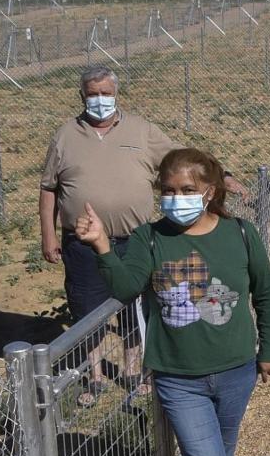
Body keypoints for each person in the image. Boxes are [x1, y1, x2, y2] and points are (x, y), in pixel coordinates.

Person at [74, 148, 270, 456]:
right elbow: (127, 286)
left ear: (210, 192)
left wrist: (269, 348)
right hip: (177, 378)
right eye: (168, 191)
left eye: (187, 190)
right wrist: (103, 246)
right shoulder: (151, 238)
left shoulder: (241, 235)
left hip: (235, 372)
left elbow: (265, 292)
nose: (176, 198)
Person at [40, 66, 245, 406]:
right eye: (93, 93)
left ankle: (134, 370)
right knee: (88, 309)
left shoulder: (142, 130)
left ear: (117, 94)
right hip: (82, 243)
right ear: (81, 96)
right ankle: (96, 376)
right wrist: (48, 234)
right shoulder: (65, 136)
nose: (100, 100)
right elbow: (48, 189)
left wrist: (225, 176)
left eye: (106, 93)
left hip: (133, 239)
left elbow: (183, 160)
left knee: (135, 306)